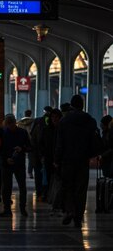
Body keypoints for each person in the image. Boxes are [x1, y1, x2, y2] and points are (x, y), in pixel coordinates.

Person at [55, 95, 99, 227]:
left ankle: (69, 210)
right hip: (82, 160)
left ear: (71, 106)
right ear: (82, 105)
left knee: (67, 186)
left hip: (67, 160)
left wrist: (57, 159)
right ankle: (78, 217)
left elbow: (59, 143)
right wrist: (93, 155)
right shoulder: (90, 120)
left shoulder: (64, 121)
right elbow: (94, 140)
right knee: (81, 188)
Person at [0, 114, 31, 217]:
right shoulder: (22, 132)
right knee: (18, 187)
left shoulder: (3, 133)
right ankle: (20, 209)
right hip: (16, 162)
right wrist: (22, 149)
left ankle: (8, 209)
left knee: (8, 187)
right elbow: (29, 146)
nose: (10, 126)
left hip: (10, 163)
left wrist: (21, 149)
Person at [41, 108, 63, 212]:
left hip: (59, 160)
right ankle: (53, 199)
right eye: (52, 117)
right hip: (49, 159)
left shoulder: (62, 129)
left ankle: (57, 201)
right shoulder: (47, 130)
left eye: (56, 117)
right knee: (50, 179)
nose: (54, 119)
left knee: (59, 180)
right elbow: (42, 144)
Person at [17, 109, 35, 179]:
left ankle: (20, 172)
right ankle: (30, 172)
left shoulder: (19, 123)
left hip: (21, 142)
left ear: (24, 114)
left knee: (20, 157)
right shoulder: (33, 122)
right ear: (30, 114)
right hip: (31, 142)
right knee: (31, 158)